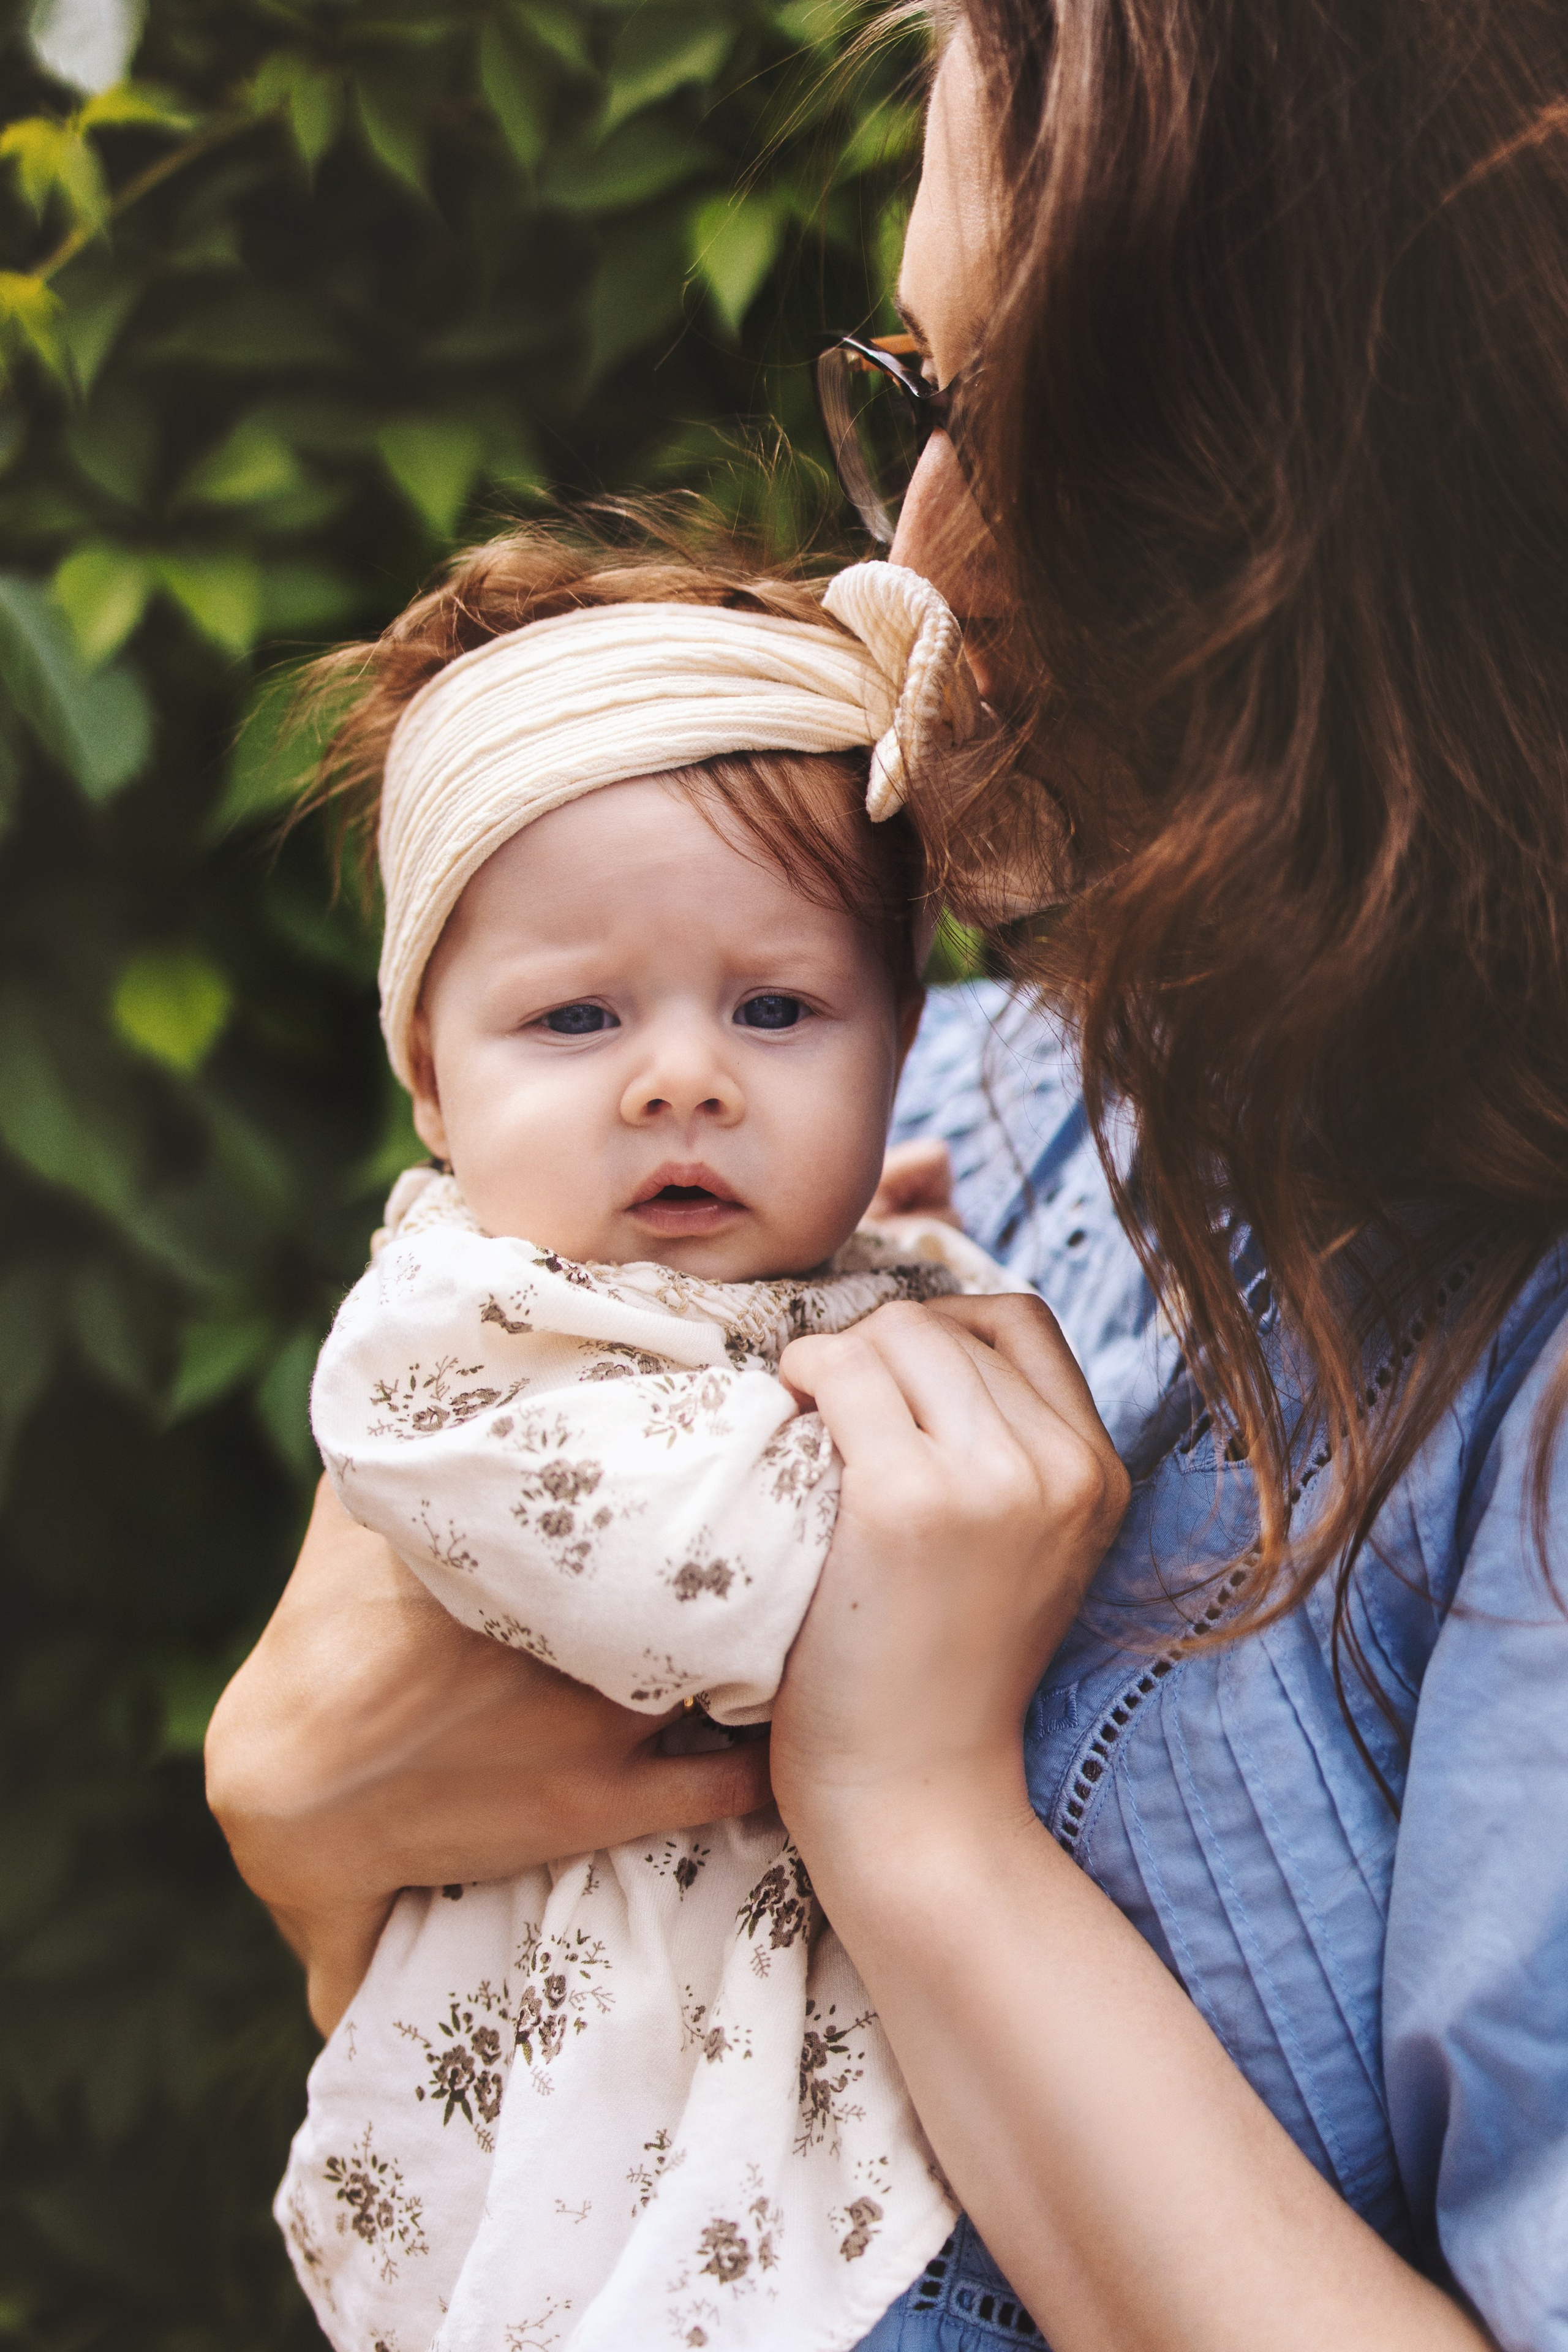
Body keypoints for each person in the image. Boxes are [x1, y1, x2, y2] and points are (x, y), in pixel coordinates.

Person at [208, 1, 1568, 2346]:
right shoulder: (991, 1081)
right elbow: (435, 1905)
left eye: (1036, 432)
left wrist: (918, 1820)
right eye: (911, 388)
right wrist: (303, 1804)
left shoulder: (1512, 1434)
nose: (911, 551)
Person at [276, 539, 1007, 2350]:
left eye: (777, 1011)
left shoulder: (893, 1264)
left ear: (901, 1047)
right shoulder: (450, 1338)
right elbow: (726, 1588)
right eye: (575, 1017)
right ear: (432, 1080)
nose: (682, 1076)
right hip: (571, 2114)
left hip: (821, 2107)